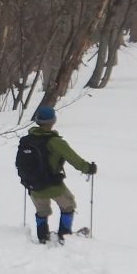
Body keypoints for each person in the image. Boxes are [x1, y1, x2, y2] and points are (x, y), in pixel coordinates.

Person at [22, 104, 96, 244]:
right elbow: (74, 160)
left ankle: (43, 237)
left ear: (37, 120)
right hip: (52, 183)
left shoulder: (27, 140)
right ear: (53, 121)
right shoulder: (55, 142)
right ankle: (64, 236)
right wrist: (88, 168)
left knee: (42, 211)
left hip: (33, 185)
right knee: (68, 205)